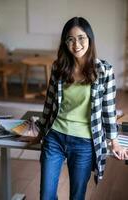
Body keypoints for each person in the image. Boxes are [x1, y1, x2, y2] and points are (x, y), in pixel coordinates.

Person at [34, 17, 128, 200]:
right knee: (46, 195)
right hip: (55, 137)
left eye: (81, 38)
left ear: (89, 39)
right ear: (65, 42)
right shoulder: (58, 67)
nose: (76, 44)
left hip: (84, 143)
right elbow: (49, 103)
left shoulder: (104, 70)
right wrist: (40, 132)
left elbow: (109, 110)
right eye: (70, 39)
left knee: (77, 196)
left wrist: (114, 141)